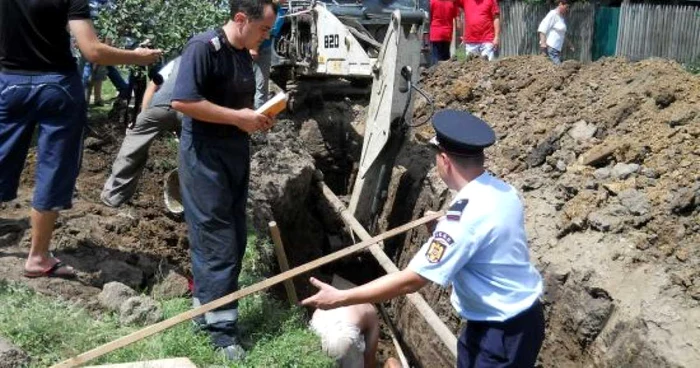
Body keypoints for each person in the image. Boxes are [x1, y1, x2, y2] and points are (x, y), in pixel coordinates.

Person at [302, 109, 545, 367]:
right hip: (517, 317)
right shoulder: (502, 191)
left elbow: (411, 281)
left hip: (501, 331)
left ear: (444, 160)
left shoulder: (463, 219)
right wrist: (442, 231)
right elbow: (487, 242)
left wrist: (341, 298)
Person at [0, 0, 161, 279]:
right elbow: (92, 51)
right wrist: (138, 56)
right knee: (54, 168)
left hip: (10, 82)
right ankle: (38, 257)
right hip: (57, 86)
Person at [170, 0, 277, 360]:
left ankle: (206, 311)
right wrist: (237, 118)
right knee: (216, 237)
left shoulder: (242, 54)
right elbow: (182, 101)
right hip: (205, 155)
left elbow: (238, 112)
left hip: (234, 153)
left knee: (234, 234)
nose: (266, 37)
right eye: (263, 29)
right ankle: (222, 334)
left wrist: (258, 119)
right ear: (240, 19)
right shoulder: (204, 48)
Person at [101, 56, 182, 207]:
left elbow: (153, 85)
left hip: (158, 106)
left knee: (131, 152)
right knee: (197, 156)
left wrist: (144, 114)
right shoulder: (218, 61)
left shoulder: (177, 61)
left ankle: (112, 197)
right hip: (190, 110)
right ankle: (194, 200)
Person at [251, 5, 286, 109]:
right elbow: (266, 30)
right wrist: (254, 47)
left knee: (261, 86)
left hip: (265, 48)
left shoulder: (282, 9)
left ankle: (258, 116)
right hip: (253, 46)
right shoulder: (268, 8)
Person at [538, 0, 570, 65]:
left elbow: (562, 34)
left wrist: (569, 44)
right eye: (566, 7)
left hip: (556, 49)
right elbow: (542, 27)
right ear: (560, 4)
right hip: (550, 48)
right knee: (558, 68)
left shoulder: (561, 17)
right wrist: (543, 43)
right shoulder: (553, 14)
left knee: (554, 70)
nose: (567, 9)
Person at [429, 0, 460, 64]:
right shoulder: (451, 3)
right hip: (447, 33)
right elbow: (456, 16)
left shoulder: (433, 2)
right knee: (446, 59)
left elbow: (429, 16)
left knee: (436, 59)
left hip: (436, 33)